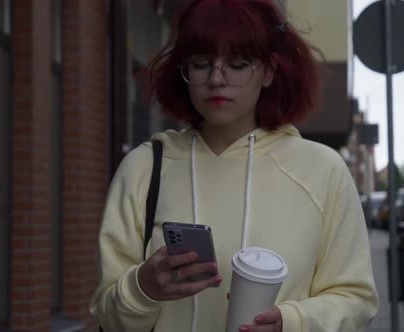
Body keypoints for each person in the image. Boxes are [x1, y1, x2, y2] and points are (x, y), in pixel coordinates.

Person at [89, 0, 378, 331]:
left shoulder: (323, 169)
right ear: (185, 72)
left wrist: (291, 322)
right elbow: (107, 315)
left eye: (238, 64)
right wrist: (142, 288)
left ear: (269, 71)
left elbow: (357, 300)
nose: (216, 78)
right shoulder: (144, 166)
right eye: (201, 63)